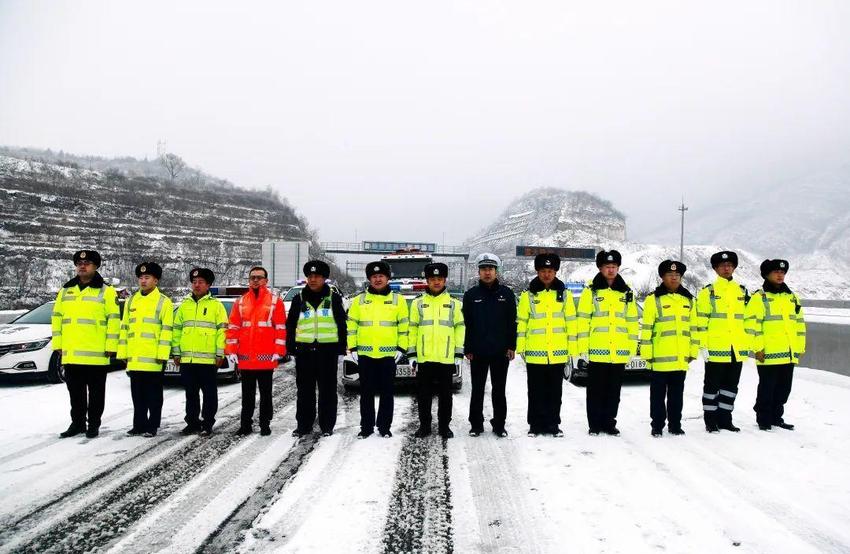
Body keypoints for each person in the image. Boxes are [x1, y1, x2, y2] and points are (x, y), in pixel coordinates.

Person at [51, 249, 120, 439]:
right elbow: (57, 318)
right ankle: (78, 423)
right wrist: (58, 343)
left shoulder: (107, 291)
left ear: (96, 266)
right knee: (75, 393)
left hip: (97, 353)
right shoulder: (66, 290)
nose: (82, 265)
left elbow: (114, 320)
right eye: (79, 263)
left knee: (96, 394)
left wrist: (111, 346)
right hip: (72, 352)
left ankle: (94, 424)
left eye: (87, 263)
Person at [577, 250, 639, 436]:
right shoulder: (591, 291)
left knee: (614, 392)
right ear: (600, 268)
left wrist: (630, 347)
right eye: (607, 267)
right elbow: (583, 319)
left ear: (618, 268)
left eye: (614, 267)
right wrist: (583, 348)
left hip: (619, 351)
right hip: (597, 351)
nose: (611, 270)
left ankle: (609, 423)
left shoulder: (626, 291)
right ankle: (594, 425)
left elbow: (632, 321)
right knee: (595, 391)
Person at [516, 252, 576, 437]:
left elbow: (571, 322)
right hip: (535, 353)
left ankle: (553, 424)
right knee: (535, 392)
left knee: (554, 392)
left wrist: (571, 350)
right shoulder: (528, 295)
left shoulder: (564, 295)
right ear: (537, 271)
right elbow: (522, 322)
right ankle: (535, 425)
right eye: (543, 270)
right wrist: (521, 347)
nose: (546, 274)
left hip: (557, 353)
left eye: (550, 270)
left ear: (556, 272)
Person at [347, 261, 409, 438]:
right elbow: (352, 325)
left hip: (389, 355)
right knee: (366, 393)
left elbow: (404, 326)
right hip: (365, 354)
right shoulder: (359, 300)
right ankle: (366, 427)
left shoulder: (399, 300)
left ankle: (384, 427)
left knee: (387, 393)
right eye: (374, 276)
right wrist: (353, 347)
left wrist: (401, 348)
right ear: (369, 279)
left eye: (381, 276)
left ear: (388, 278)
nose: (378, 279)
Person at [286, 260, 347, 437]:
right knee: (304, 391)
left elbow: (341, 323)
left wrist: (341, 346)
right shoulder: (299, 299)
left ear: (324, 278)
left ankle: (327, 425)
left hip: (327, 352)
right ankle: (304, 425)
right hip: (304, 352)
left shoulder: (333, 298)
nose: (313, 279)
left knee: (327, 391)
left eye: (317, 276)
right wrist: (291, 347)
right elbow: (291, 325)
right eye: (310, 276)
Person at [693, 251, 751, 433]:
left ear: (733, 267)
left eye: (729, 265)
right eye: (722, 266)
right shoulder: (707, 292)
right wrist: (702, 346)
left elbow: (748, 320)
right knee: (712, 386)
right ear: (716, 269)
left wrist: (748, 343)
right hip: (716, 348)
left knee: (731, 386)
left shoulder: (741, 291)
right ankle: (710, 420)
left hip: (736, 348)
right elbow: (700, 321)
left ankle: (726, 419)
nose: (726, 268)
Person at [746, 259, 806, 431]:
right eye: (776, 272)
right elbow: (752, 325)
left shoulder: (791, 297)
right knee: (767, 387)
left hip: (788, 352)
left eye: (782, 272)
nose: (780, 275)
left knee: (783, 389)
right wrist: (758, 348)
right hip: (768, 353)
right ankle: (764, 418)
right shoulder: (760, 297)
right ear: (766, 275)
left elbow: (799, 323)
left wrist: (799, 347)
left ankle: (776, 417)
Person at [226, 266, 286, 436]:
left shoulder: (275, 302)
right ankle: (245, 424)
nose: (255, 280)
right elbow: (233, 327)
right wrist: (231, 349)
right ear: (249, 280)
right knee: (247, 395)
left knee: (266, 394)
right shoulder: (240, 302)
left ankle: (265, 424)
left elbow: (281, 328)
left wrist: (279, 350)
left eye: (259, 277)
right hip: (245, 358)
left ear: (266, 281)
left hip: (266, 357)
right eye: (252, 277)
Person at [463, 253, 517, 437]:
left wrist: (512, 346)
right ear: (479, 271)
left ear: (496, 271)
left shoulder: (507, 294)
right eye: (484, 269)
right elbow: (468, 323)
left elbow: (512, 323)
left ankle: (499, 425)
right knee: (477, 389)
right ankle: (476, 425)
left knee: (499, 390)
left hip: (500, 351)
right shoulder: (471, 295)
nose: (487, 272)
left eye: (491, 269)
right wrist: (468, 348)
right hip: (478, 351)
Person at [409, 262, 465, 439]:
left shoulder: (454, 304)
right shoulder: (418, 303)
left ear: (445, 280)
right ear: (427, 280)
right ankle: (424, 426)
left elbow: (460, 328)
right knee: (423, 395)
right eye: (433, 279)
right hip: (424, 357)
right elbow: (413, 329)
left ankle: (444, 426)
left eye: (439, 279)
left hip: (446, 357)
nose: (436, 282)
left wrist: (458, 353)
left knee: (445, 396)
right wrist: (411, 354)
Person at [640, 260, 696, 437]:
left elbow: (693, 328)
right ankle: (657, 425)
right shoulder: (653, 299)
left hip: (680, 358)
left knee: (676, 396)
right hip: (660, 358)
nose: (674, 278)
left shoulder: (688, 299)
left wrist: (692, 352)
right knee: (657, 397)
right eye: (670, 275)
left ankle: (675, 425)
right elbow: (647, 327)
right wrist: (647, 353)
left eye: (677, 275)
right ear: (662, 277)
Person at [171, 267, 229, 436]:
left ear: (208, 285)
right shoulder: (184, 306)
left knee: (209, 394)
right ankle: (192, 422)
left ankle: (208, 422)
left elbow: (222, 331)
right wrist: (176, 352)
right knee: (191, 394)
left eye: (201, 282)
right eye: (194, 282)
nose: (196, 285)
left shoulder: (216, 306)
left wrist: (220, 354)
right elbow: (177, 330)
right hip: (187, 360)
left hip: (208, 361)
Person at [118, 262, 173, 437]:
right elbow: (125, 328)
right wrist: (123, 353)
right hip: (135, 358)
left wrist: (162, 355)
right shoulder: (131, 300)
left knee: (154, 396)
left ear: (156, 280)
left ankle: (152, 425)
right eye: (141, 278)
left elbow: (166, 330)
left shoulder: (164, 302)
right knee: (137, 395)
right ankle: (139, 424)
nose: (143, 281)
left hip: (154, 359)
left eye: (147, 278)